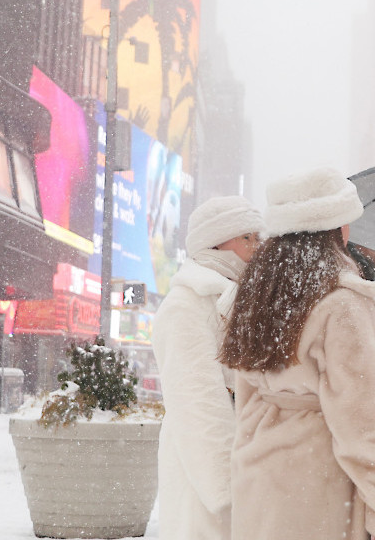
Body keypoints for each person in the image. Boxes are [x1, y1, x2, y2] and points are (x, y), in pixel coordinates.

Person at [219, 167, 375, 540]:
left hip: (260, 475)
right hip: (319, 483)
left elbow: (245, 398)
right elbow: (364, 423)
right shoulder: (343, 303)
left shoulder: (260, 294)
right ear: (337, 228)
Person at [152, 195, 264, 540]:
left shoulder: (243, 296)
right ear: (217, 241)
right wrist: (226, 486)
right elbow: (196, 398)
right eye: (247, 237)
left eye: (258, 237)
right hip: (203, 468)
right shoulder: (188, 303)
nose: (257, 246)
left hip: (245, 453)